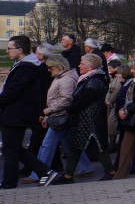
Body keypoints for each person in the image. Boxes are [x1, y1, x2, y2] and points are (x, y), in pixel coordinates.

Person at [47, 53, 117, 184]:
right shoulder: (90, 79)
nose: (79, 65)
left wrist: (69, 110)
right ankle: (70, 175)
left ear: (90, 67)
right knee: (80, 146)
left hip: (90, 119)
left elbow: (83, 101)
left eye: (82, 63)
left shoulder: (94, 81)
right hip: (87, 118)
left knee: (89, 146)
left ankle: (109, 172)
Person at [1, 36, 60, 188]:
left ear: (19, 50)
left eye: (9, 48)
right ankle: (44, 172)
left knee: (11, 150)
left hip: (16, 114)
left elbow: (13, 91)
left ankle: (10, 184)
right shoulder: (23, 65)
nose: (7, 51)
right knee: (13, 148)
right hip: (15, 113)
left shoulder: (25, 68)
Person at [26, 54, 91, 183]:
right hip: (59, 115)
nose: (49, 70)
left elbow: (66, 100)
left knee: (47, 145)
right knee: (69, 144)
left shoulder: (65, 79)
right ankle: (85, 167)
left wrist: (48, 111)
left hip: (60, 115)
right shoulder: (62, 77)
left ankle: (38, 173)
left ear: (58, 66)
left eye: (50, 67)